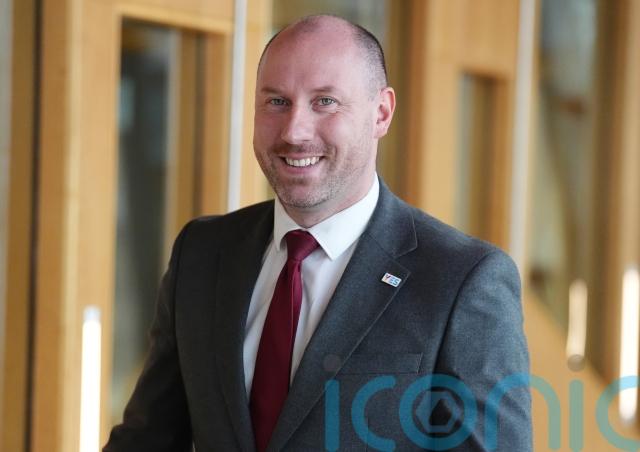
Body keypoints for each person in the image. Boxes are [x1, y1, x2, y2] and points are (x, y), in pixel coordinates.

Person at [104, 14, 531, 452]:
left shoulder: (461, 280)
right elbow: (146, 441)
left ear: (381, 113)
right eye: (276, 101)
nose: (294, 131)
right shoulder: (202, 253)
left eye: (325, 101)